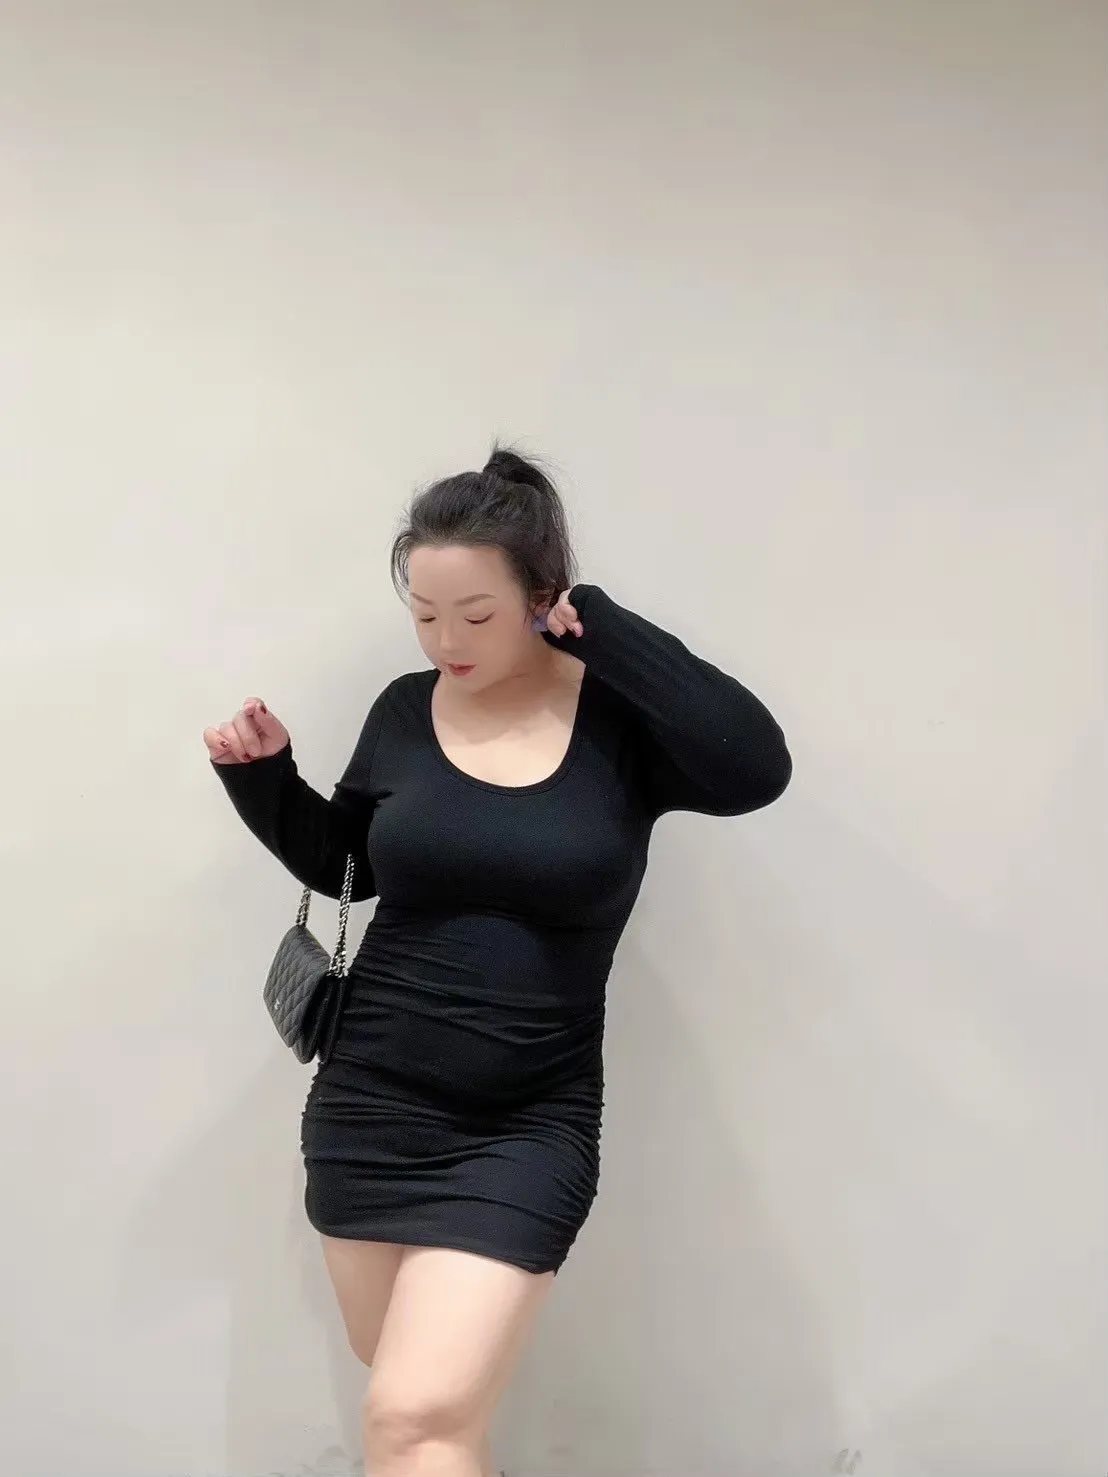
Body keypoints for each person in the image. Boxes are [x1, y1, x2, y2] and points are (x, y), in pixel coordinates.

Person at [204, 446, 792, 1477]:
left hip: (525, 1124)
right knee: (424, 1414)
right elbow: (349, 866)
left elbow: (755, 765)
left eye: (476, 615)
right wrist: (263, 781)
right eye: (425, 615)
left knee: (410, 1416)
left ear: (540, 595)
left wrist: (602, 625)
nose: (447, 642)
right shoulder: (402, 710)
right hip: (368, 1107)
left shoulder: (620, 725)